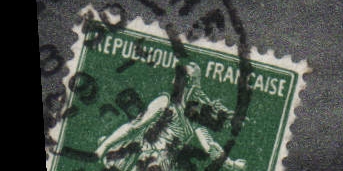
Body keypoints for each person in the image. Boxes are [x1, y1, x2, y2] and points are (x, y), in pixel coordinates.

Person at [93, 62, 245, 171]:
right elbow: (133, 127)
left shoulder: (196, 121)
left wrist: (232, 165)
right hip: (136, 152)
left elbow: (210, 148)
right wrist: (103, 147)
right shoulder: (163, 102)